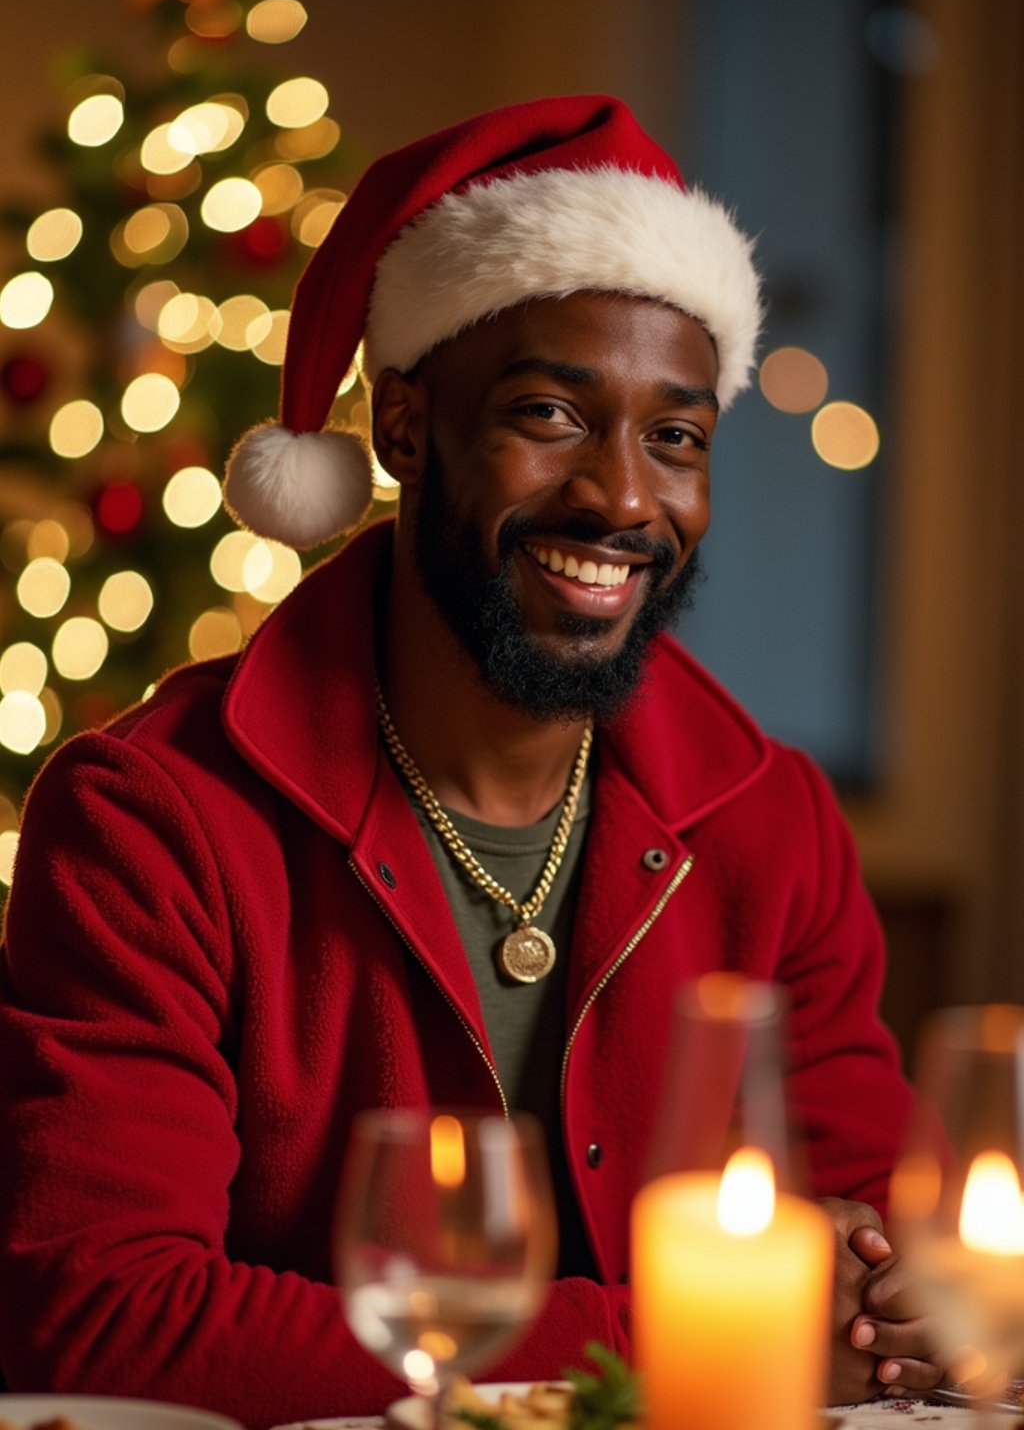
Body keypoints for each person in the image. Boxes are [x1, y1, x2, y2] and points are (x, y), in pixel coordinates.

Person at [0, 96, 941, 1425]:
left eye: (676, 436)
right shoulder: (150, 821)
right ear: (399, 426)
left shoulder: (771, 821)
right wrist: (671, 1343)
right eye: (550, 413)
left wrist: (906, 1294)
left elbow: (882, 1237)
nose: (623, 496)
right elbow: (96, 1313)